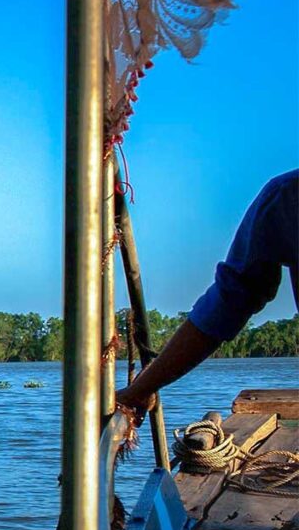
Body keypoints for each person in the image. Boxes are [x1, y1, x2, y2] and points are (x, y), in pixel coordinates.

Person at [116, 169, 299, 417]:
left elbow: (231, 301)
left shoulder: (286, 194)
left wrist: (141, 389)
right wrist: (142, 388)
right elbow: (231, 301)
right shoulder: (286, 197)